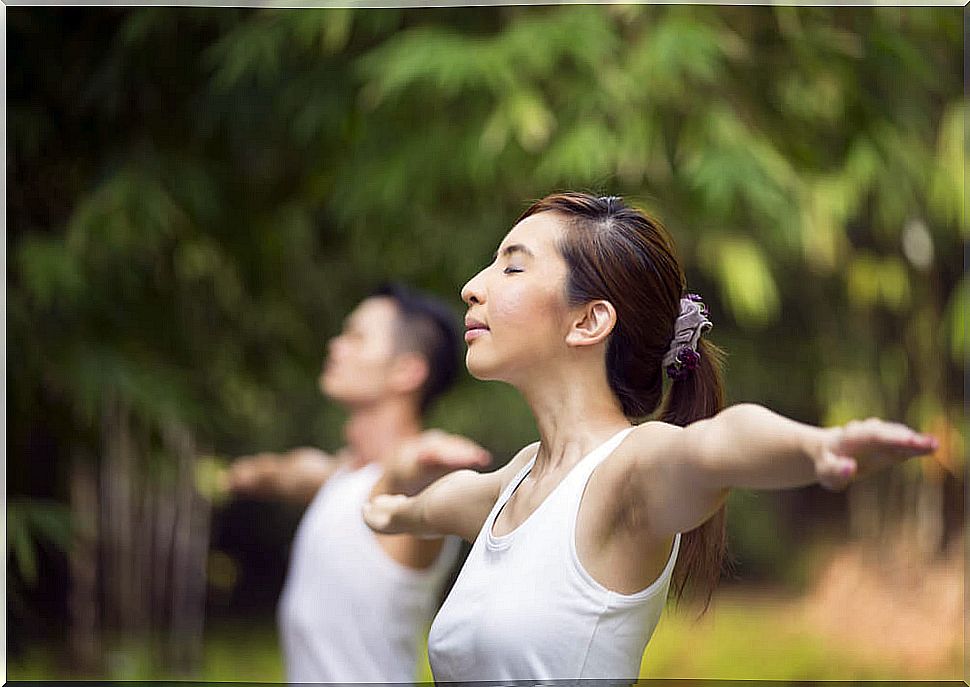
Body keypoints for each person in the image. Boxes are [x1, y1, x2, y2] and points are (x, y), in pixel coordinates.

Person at [363, 193, 939, 682]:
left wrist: (819, 447)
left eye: (512, 268)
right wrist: (390, 510)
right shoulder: (519, 479)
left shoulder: (628, 470)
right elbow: (440, 503)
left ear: (589, 321)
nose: (471, 287)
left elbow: (717, 446)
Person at [226, 283, 490, 683]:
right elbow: (291, 472)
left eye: (356, 337)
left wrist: (426, 458)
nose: (336, 345)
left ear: (407, 371)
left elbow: (405, 474)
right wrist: (243, 475)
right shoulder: (341, 477)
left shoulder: (405, 490)